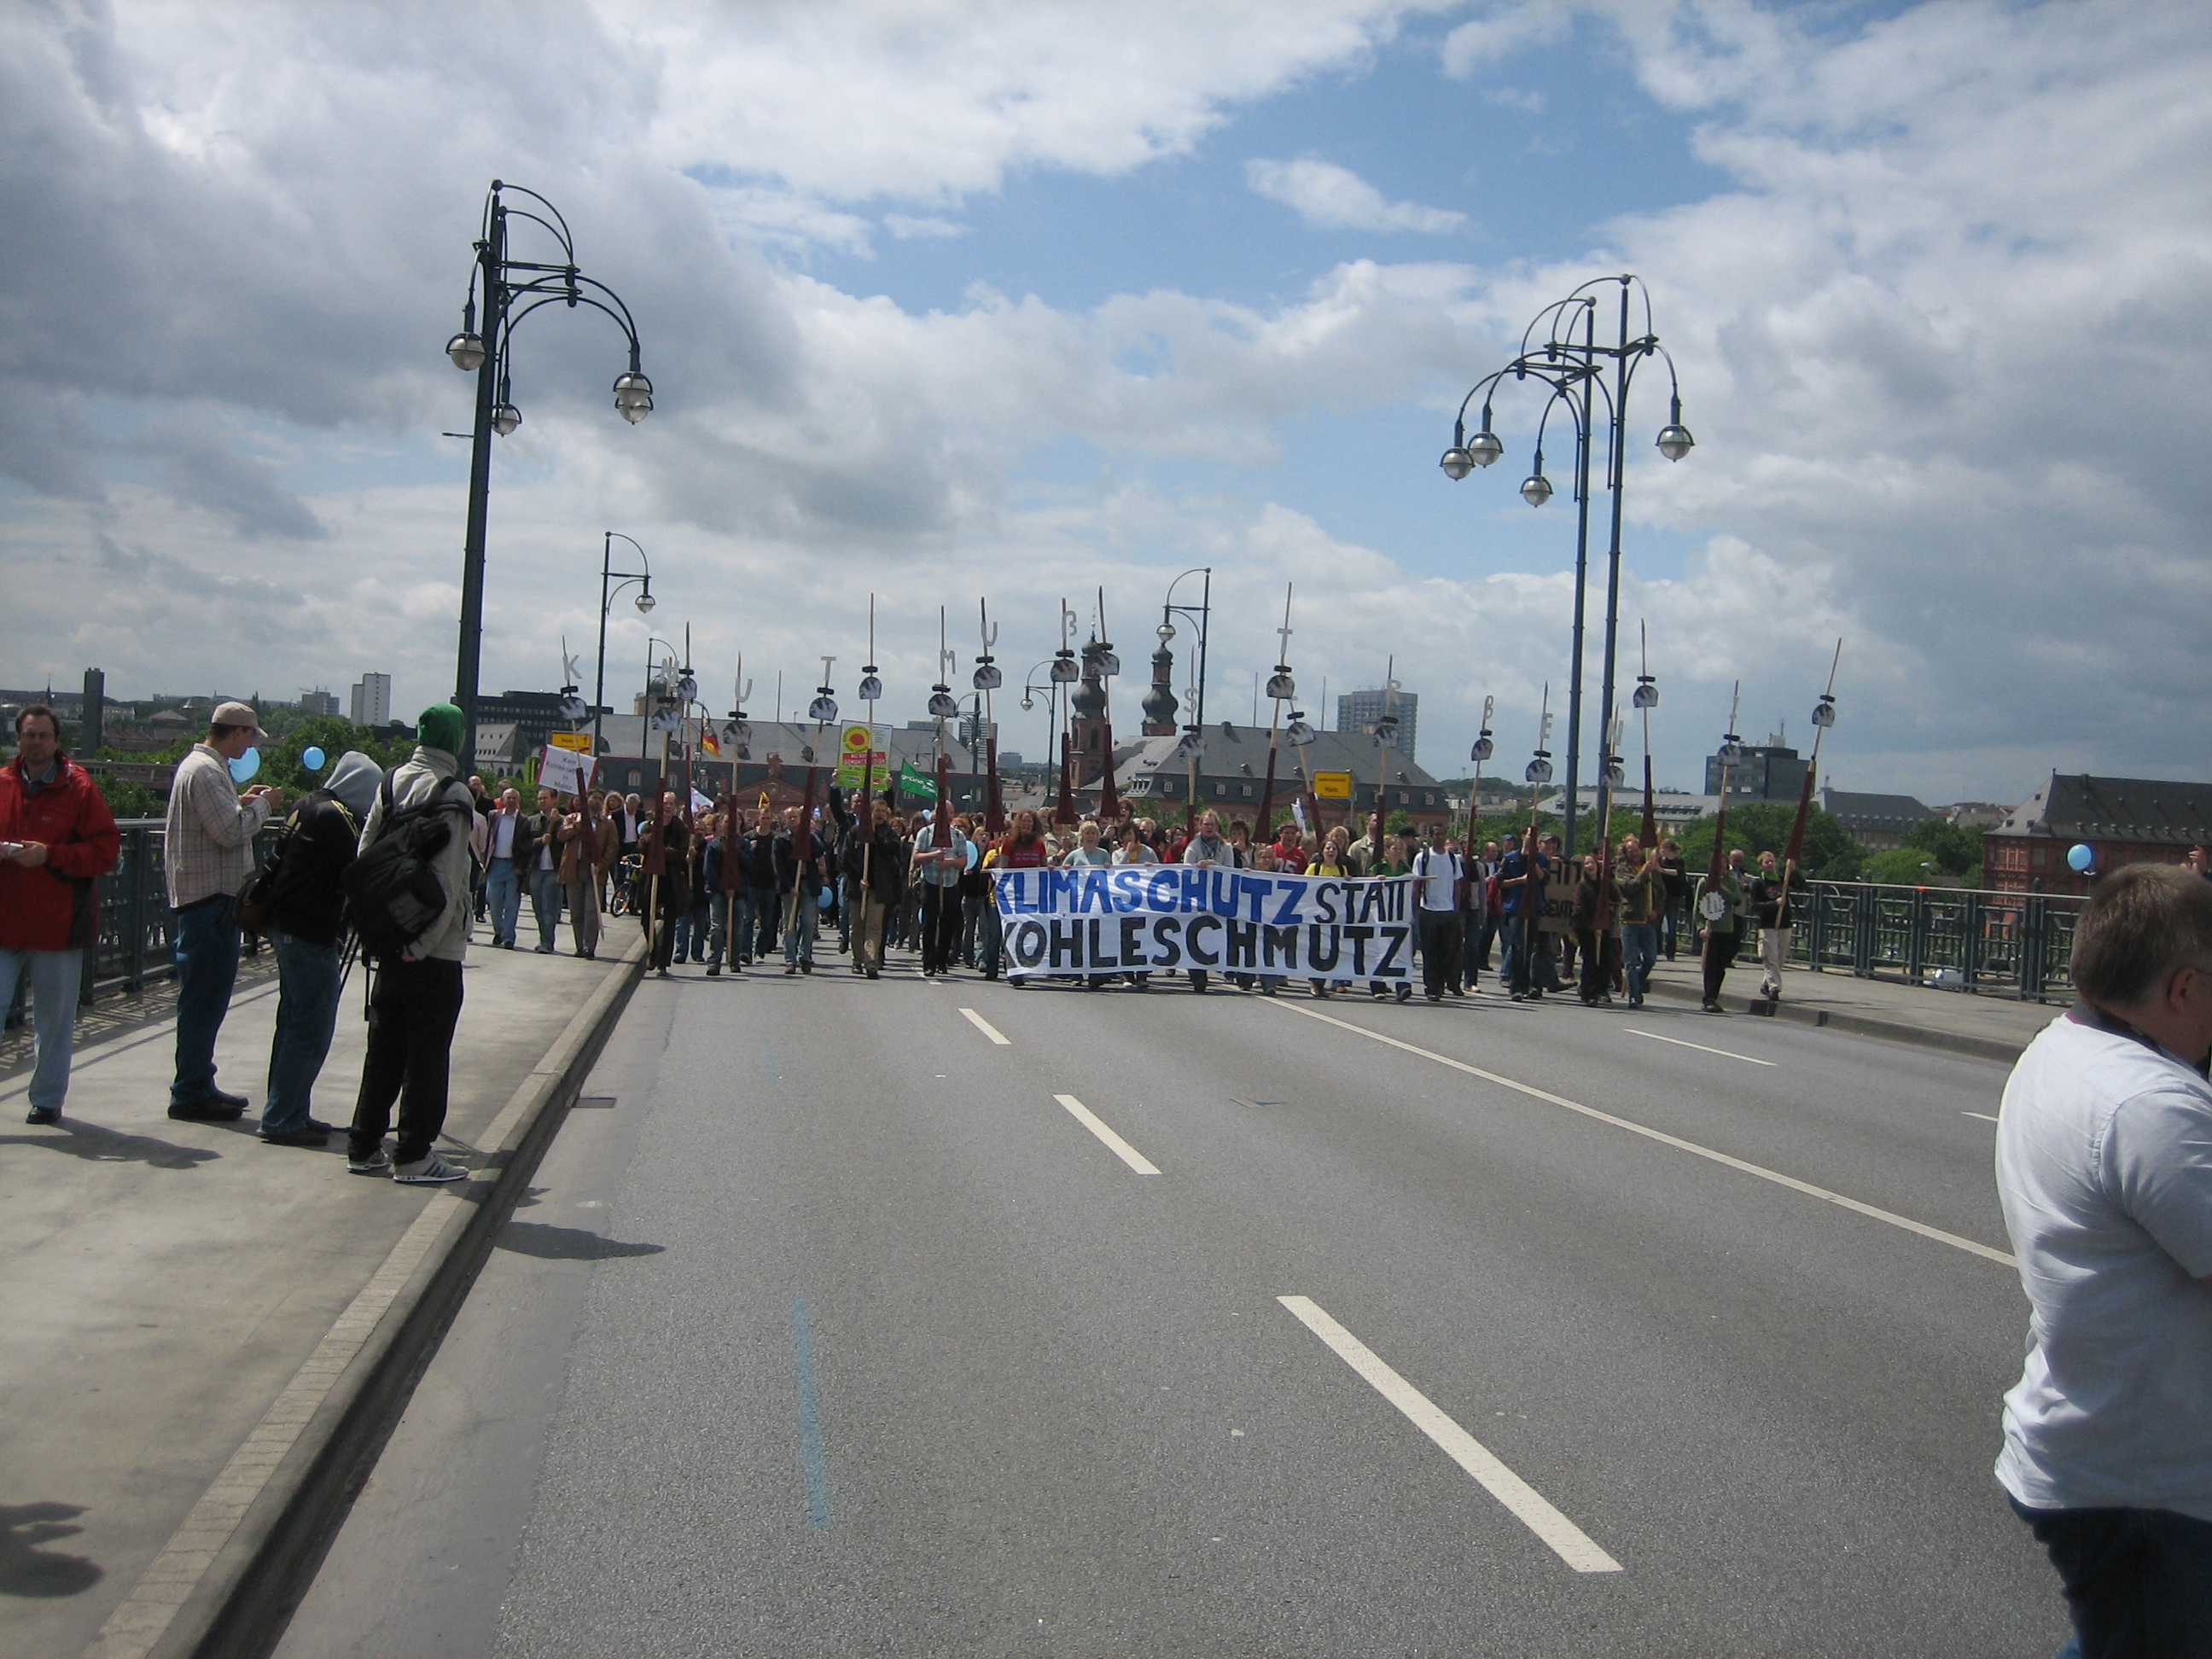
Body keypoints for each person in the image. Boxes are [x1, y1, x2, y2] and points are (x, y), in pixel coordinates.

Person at [1994, 864, 2212, 1656]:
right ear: (2183, 989)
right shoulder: (2151, 1104)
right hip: (2147, 1478)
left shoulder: (2065, 1050)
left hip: (2102, 1450)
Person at [345, 705, 476, 1184]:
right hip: (433, 950)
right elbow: (448, 879)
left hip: (388, 941)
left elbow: (365, 858)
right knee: (427, 1052)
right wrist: (421, 946)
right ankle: (415, 1153)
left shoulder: (389, 781)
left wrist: (382, 932)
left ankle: (363, 1144)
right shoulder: (452, 792)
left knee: (384, 1046)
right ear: (456, 739)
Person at [1, 705, 120, 1126]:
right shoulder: (3, 784)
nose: (36, 743)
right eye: (29, 735)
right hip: (5, 921)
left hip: (57, 923)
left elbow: (105, 851)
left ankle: (47, 1100)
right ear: (18, 739)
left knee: (53, 1022)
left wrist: (50, 855)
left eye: (43, 736)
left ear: (56, 741)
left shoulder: (80, 788)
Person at [163, 700, 282, 1121]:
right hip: (210, 900)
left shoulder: (200, 769)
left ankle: (197, 1082)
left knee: (204, 1000)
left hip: (204, 899)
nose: (251, 746)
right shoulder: (207, 771)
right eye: (250, 737)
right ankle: (191, 1090)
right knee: (204, 1001)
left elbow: (218, 819)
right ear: (237, 733)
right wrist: (264, 806)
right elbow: (231, 831)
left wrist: (240, 800)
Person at [255, 750, 380, 1146]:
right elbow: (359, 868)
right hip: (310, 930)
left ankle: (288, 1108)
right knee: (310, 1027)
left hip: (287, 924)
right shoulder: (335, 817)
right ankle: (282, 1118)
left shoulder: (307, 804)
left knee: (292, 1023)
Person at [837, 793, 906, 979]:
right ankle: (857, 960)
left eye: (884, 811)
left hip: (879, 888)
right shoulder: (854, 832)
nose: (880, 814)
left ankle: (871, 962)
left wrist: (876, 835)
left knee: (874, 926)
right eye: (877, 810)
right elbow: (844, 860)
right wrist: (858, 877)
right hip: (857, 887)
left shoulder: (890, 834)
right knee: (857, 925)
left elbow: (893, 853)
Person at [1180, 810, 1240, 994]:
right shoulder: (1193, 846)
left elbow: (1230, 870)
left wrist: (1214, 867)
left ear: (1217, 827)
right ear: (1200, 826)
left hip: (1218, 899)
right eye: (1206, 824)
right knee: (1196, 934)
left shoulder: (1226, 848)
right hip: (1197, 899)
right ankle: (1198, 974)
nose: (1209, 827)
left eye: (1212, 824)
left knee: (1217, 935)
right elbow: (1185, 869)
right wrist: (1198, 868)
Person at [911, 808, 974, 976]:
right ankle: (929, 962)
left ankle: (942, 960)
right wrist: (934, 855)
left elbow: (963, 861)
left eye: (950, 813)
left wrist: (951, 862)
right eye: (944, 813)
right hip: (930, 883)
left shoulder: (958, 836)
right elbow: (916, 857)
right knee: (929, 925)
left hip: (950, 884)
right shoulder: (925, 832)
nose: (947, 816)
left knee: (948, 925)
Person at [1412, 821, 1464, 1004]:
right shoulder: (1423, 857)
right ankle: (1431, 988)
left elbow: (1457, 884)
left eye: (1442, 834)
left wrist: (1456, 908)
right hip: (1429, 910)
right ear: (1431, 836)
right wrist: (1417, 907)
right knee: (1430, 952)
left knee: (1447, 952)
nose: (1439, 837)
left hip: (1448, 911)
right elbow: (1416, 884)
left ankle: (1442, 984)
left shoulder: (1453, 858)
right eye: (1436, 834)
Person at [559, 790, 615, 961]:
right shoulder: (572, 818)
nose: (597, 801)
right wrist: (578, 825)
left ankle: (589, 947)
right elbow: (562, 835)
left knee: (592, 910)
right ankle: (579, 945)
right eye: (594, 798)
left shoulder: (608, 824)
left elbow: (613, 847)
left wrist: (602, 865)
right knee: (577, 911)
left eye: (601, 798)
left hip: (594, 872)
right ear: (587, 799)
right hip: (574, 869)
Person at [639, 795, 690, 976]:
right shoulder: (650, 825)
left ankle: (663, 962)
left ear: (675, 808)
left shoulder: (681, 828)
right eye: (664, 804)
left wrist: (661, 851)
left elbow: (680, 853)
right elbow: (643, 845)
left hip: (672, 878)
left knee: (670, 920)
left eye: (671, 804)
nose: (667, 807)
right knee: (646, 915)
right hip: (651, 876)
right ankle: (654, 951)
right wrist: (655, 834)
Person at [1497, 825, 1548, 1003]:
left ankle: (1530, 984)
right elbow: (1500, 883)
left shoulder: (1541, 858)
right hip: (1516, 907)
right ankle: (1515, 986)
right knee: (1518, 946)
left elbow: (1544, 879)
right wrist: (1520, 880)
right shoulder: (1511, 859)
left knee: (1531, 947)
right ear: (1523, 837)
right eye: (1529, 835)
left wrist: (1534, 863)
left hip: (1534, 906)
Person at [773, 804, 826, 975]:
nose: (792, 819)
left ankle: (806, 955)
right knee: (789, 924)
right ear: (784, 819)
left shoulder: (809, 839)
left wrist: (822, 869)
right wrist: (789, 886)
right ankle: (790, 959)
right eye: (789, 817)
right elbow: (778, 867)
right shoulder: (780, 840)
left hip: (808, 884)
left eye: (795, 816)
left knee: (809, 922)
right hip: (789, 886)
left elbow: (820, 856)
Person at [1693, 850, 1746, 1013]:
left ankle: (1714, 995)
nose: (1721, 867)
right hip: (1712, 929)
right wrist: (1700, 928)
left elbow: (1737, 900)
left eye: (1723, 863)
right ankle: (1708, 997)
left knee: (1721, 966)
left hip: (1726, 927)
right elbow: (1697, 908)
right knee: (1711, 964)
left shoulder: (1731, 881)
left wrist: (1722, 888)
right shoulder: (1705, 881)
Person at [1614, 835, 1662, 1010]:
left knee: (1650, 957)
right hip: (1630, 919)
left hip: (1647, 921)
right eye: (1630, 851)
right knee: (1631, 960)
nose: (1634, 853)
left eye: (1636, 850)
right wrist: (1643, 873)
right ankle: (1634, 995)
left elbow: (1661, 892)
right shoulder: (1622, 869)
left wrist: (1656, 909)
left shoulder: (1650, 867)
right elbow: (1630, 887)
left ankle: (1639, 982)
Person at [1751, 849, 1803, 1002]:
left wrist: (1793, 869)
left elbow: (1802, 885)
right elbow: (1754, 906)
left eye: (1772, 861)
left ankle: (1765, 984)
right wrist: (1774, 904)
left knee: (1780, 958)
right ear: (1761, 865)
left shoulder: (1782, 880)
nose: (1770, 864)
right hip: (1768, 924)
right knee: (1770, 957)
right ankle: (1775, 987)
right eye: (1766, 862)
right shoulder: (1758, 884)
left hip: (1784, 923)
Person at [1571, 851, 1620, 1006]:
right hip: (1586, 927)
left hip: (1604, 926)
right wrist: (1593, 926)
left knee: (1606, 958)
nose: (1590, 866)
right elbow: (1580, 908)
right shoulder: (1582, 886)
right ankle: (1588, 992)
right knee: (1591, 960)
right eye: (1586, 864)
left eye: (1592, 863)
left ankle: (1601, 988)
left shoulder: (1604, 882)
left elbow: (1616, 898)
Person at [481, 787, 526, 949]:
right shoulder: (493, 816)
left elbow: (524, 847)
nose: (512, 801)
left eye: (514, 798)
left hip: (513, 866)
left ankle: (508, 938)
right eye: (509, 798)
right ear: (502, 799)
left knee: (512, 904)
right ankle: (498, 931)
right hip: (496, 864)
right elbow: (488, 839)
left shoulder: (523, 820)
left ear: (518, 801)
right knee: (494, 902)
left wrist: (521, 867)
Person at [524, 785, 565, 954]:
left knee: (549, 907)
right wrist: (540, 841)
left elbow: (567, 841)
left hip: (553, 870)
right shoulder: (531, 821)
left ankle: (548, 943)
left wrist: (556, 825)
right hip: (536, 869)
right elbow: (524, 845)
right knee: (538, 907)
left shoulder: (563, 820)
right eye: (539, 798)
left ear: (554, 800)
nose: (542, 801)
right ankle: (543, 938)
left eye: (545, 798)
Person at [1657, 836, 1689, 960]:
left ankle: (1670, 952)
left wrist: (1662, 870)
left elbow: (1677, 873)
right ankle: (1658, 948)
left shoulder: (1679, 861)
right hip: (1662, 895)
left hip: (1674, 896)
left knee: (1672, 925)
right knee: (1657, 924)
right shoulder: (1661, 860)